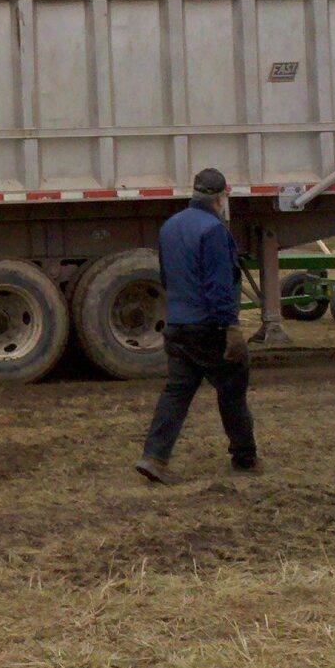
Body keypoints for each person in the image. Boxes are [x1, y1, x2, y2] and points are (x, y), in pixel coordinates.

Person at [137, 167, 259, 483]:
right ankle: (244, 458)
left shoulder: (169, 227)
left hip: (176, 325)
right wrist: (230, 326)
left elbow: (166, 276)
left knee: (176, 393)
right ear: (221, 198)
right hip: (207, 326)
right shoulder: (214, 231)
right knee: (232, 388)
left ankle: (154, 457)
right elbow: (219, 286)